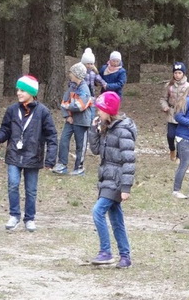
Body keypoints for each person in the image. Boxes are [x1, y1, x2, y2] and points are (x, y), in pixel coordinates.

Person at [0, 76, 57, 231]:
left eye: (22, 90)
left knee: (31, 190)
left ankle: (29, 218)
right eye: (18, 90)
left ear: (31, 92)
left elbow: (52, 136)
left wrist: (50, 159)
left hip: (33, 155)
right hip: (14, 154)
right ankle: (14, 215)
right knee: (13, 184)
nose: (18, 93)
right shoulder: (12, 110)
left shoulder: (43, 112)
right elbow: (5, 129)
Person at [88, 92, 136, 268]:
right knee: (116, 219)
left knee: (97, 211)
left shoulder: (123, 131)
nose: (98, 113)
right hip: (106, 178)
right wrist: (93, 130)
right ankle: (125, 256)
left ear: (108, 111)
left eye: (100, 110)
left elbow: (129, 160)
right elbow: (95, 150)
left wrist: (126, 187)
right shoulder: (106, 128)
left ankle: (105, 252)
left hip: (115, 181)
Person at [54, 62, 95, 176]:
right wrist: (67, 116)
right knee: (63, 140)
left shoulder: (84, 89)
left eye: (71, 73)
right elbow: (64, 102)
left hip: (82, 122)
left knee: (80, 146)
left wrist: (68, 106)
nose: (69, 75)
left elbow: (80, 106)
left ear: (77, 74)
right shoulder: (71, 87)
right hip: (70, 121)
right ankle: (62, 164)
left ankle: (79, 168)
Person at [160, 62, 189, 162]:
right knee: (171, 135)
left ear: (183, 74)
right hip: (171, 113)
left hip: (183, 113)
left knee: (180, 136)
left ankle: (179, 155)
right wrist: (165, 106)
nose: (177, 75)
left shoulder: (188, 86)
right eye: (175, 73)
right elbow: (163, 98)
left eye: (179, 73)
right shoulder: (169, 86)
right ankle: (172, 150)